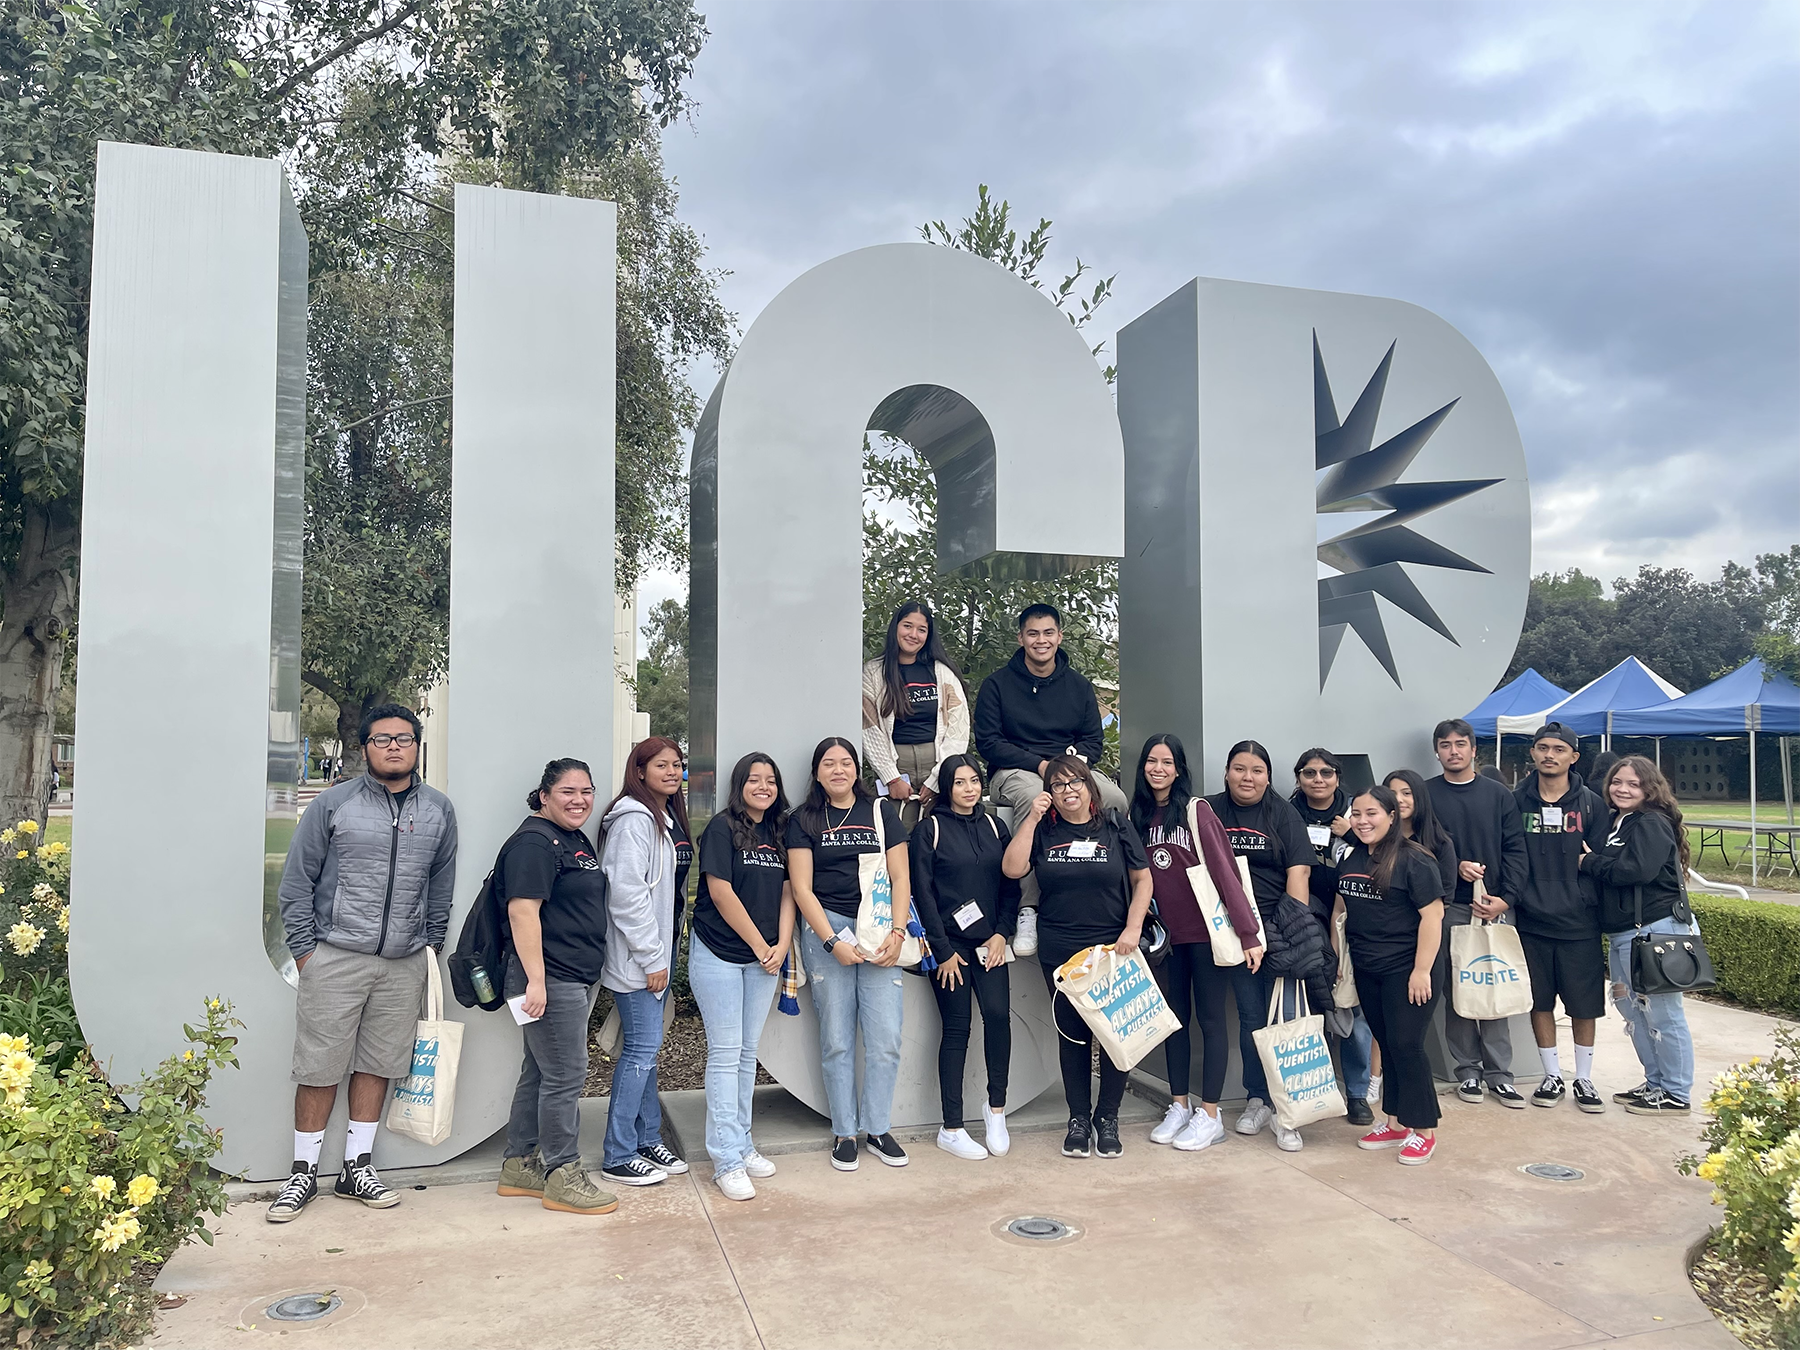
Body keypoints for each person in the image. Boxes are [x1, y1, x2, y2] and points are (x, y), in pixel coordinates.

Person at [269, 704, 458, 1223]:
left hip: (403, 964)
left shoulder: (439, 810)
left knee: (380, 1064)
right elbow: (296, 884)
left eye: (403, 738)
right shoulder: (333, 805)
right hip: (335, 957)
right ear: (365, 748)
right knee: (319, 1065)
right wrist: (309, 954)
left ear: (417, 746)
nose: (393, 746)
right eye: (381, 739)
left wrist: (429, 947)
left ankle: (358, 1167)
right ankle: (302, 1174)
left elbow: (440, 887)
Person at [1003, 754, 1151, 1160]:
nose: (1067, 792)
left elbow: (1143, 879)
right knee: (1072, 1037)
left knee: (1114, 1035)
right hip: (1061, 948)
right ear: (1048, 793)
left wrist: (1133, 929)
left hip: (1112, 947)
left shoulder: (1116, 824)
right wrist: (1031, 819)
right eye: (1057, 785)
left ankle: (1108, 1118)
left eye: (1075, 783)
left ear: (1090, 786)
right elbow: (1014, 868)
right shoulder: (1045, 831)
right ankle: (1078, 1120)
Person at [494, 759, 617, 1215]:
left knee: (541, 1071)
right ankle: (562, 1174)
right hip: (548, 978)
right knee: (566, 1075)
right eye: (567, 791)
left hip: (571, 976)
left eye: (586, 791)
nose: (579, 799)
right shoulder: (533, 843)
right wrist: (537, 982)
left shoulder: (572, 839)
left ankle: (519, 1165)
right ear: (544, 795)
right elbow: (522, 913)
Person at [787, 736, 914, 1171]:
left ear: (856, 771)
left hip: (879, 929)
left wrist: (898, 932)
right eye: (829, 763)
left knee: (886, 1039)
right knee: (837, 1040)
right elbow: (801, 888)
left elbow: (901, 877)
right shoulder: (803, 819)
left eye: (845, 763)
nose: (838, 770)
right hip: (829, 929)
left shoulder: (881, 812)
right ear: (817, 772)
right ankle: (845, 1131)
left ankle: (877, 1129)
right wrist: (831, 942)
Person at [1132, 735, 1263, 1153]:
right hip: (1163, 940)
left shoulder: (1196, 811)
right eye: (1152, 761)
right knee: (1174, 1022)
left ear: (1179, 769)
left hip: (1204, 936)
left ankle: (1210, 1114)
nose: (1158, 768)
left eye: (1167, 762)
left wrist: (1249, 933)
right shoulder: (1136, 815)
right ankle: (1179, 1105)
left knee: (1210, 1022)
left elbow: (1226, 873)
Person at [975, 603, 1128, 956]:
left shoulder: (1078, 686)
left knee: (1115, 798)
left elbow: (1093, 741)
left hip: (1070, 769)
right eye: (1033, 633)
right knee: (1036, 802)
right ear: (1021, 638)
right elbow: (989, 742)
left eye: (1048, 633)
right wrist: (1040, 765)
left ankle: (1115, 894)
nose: (1040, 641)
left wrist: (1071, 767)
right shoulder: (997, 685)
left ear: (1059, 636)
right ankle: (1028, 908)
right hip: (1014, 770)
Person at [691, 752, 797, 1201]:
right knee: (725, 1053)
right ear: (740, 786)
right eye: (754, 780)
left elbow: (792, 890)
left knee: (746, 1054)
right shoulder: (722, 827)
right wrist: (759, 944)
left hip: (766, 958)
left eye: (770, 780)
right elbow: (719, 889)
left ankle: (743, 1144)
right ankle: (726, 1160)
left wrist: (782, 945)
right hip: (720, 953)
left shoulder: (780, 830)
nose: (763, 786)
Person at [1206, 740, 1315, 1151]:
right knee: (1252, 1016)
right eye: (1239, 768)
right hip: (1232, 930)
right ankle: (1258, 1099)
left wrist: (1292, 932)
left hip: (1278, 929)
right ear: (1226, 772)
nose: (1247, 777)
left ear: (1268, 776)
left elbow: (1299, 873)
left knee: (1284, 1019)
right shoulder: (1211, 811)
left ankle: (1290, 1111)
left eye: (1256, 770)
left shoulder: (1283, 814)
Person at [910, 754, 1020, 1161]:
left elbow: (1011, 884)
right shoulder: (930, 829)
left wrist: (1001, 934)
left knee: (998, 1019)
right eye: (960, 782)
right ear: (947, 788)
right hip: (950, 951)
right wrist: (942, 952)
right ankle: (951, 1127)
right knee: (957, 1030)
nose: (969, 788)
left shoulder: (996, 826)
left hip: (989, 945)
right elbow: (922, 894)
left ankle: (996, 1112)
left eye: (975, 780)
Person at [598, 737, 693, 1188]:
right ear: (639, 771)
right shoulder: (633, 821)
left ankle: (646, 1137)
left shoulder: (665, 817)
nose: (672, 772)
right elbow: (627, 895)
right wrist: (652, 957)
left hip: (658, 955)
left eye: (677, 765)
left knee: (647, 1053)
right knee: (638, 1053)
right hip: (639, 960)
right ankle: (617, 1153)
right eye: (662, 765)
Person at [1336, 785, 1446, 1165]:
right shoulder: (1351, 857)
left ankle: (1424, 1130)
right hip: (1369, 968)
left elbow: (1433, 916)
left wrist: (1421, 970)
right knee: (1386, 1041)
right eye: (1357, 813)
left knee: (1407, 1045)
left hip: (1408, 968)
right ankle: (1396, 1123)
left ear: (1392, 816)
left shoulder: (1416, 860)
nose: (1363, 821)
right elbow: (1342, 910)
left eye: (1372, 814)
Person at [1580, 755, 1695, 1116]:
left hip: (1654, 932)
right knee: (1634, 1011)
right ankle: (1656, 1082)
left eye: (1633, 784)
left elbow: (1637, 870)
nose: (1623, 789)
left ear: (1650, 788)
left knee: (1663, 1013)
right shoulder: (1620, 821)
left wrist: (1590, 862)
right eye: (1617, 782)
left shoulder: (1651, 822)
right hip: (1624, 934)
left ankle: (1676, 1092)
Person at [1425, 717, 1529, 1108]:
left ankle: (1501, 1075)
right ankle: (1467, 1071)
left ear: (1473, 749)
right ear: (1437, 751)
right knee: (1460, 991)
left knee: (1496, 985)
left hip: (1496, 906)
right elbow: (1418, 849)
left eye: (1460, 744)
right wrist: (1453, 868)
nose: (1454, 751)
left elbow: (1516, 850)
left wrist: (1507, 898)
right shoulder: (1427, 795)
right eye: (1446, 744)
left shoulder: (1500, 795)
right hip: (1451, 905)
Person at [1512, 723, 1609, 1114]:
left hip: (1579, 922)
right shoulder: (1514, 801)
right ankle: (1551, 1074)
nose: (1549, 755)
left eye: (1558, 749)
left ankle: (1583, 1077)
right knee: (1539, 1002)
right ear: (1532, 753)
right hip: (1530, 920)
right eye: (1542, 748)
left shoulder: (1592, 805)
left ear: (1574, 756)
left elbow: (1606, 860)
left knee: (1584, 1005)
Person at [1290, 748, 1373, 1127]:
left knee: (1351, 1010)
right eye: (1309, 773)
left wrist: (1351, 833)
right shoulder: (1287, 812)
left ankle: (1357, 1093)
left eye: (1326, 772)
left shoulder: (1357, 814)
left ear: (1338, 777)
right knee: (1307, 1010)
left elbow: (1380, 854)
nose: (1318, 779)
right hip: (1303, 922)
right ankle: (1316, 1089)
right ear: (1299, 778)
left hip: (1351, 921)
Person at [862, 600, 971, 828]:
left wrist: (938, 778)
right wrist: (890, 777)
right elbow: (869, 727)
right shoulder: (873, 672)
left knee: (940, 833)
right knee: (896, 835)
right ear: (895, 628)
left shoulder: (943, 672)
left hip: (937, 763)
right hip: (896, 765)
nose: (913, 634)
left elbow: (959, 728)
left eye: (922, 630)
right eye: (907, 626)